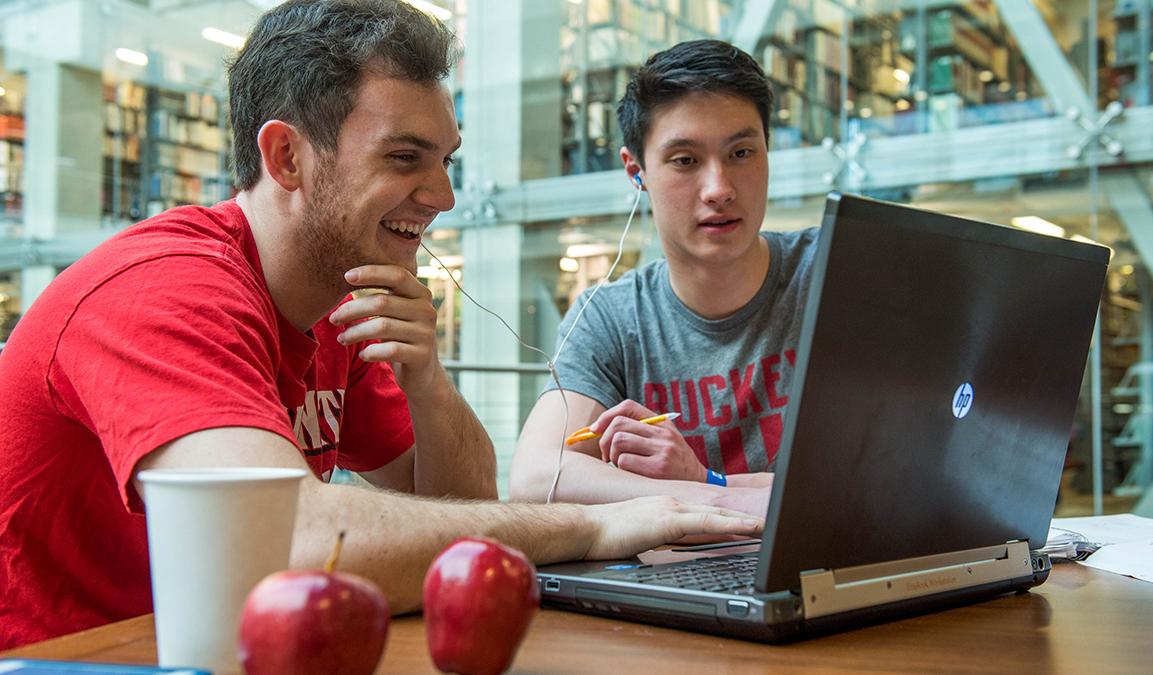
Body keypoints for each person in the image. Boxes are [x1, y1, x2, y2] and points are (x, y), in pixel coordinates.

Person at [0, 1, 761, 649]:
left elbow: (465, 513)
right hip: (83, 656)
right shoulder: (160, 291)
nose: (443, 196)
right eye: (405, 157)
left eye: (445, 160)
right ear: (286, 156)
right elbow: (279, 542)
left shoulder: (345, 301)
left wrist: (427, 381)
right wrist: (592, 527)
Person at [509, 40, 820, 518]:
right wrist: (719, 497)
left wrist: (704, 479)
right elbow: (535, 478)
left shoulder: (829, 268)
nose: (719, 189)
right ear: (637, 171)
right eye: (685, 160)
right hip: (674, 583)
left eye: (741, 152)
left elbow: (892, 466)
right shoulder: (611, 316)